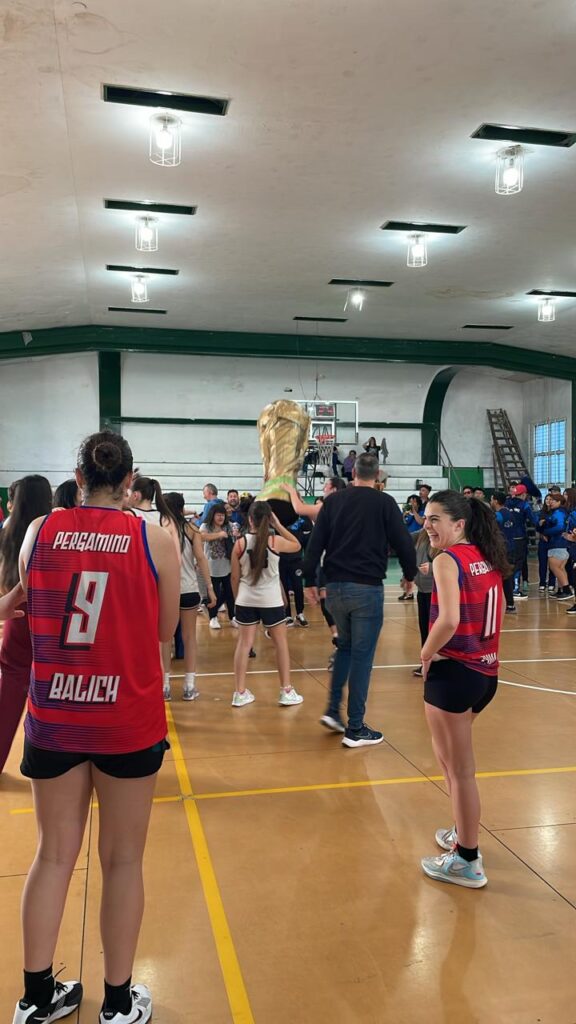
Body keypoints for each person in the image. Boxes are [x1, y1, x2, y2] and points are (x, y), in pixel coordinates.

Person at [13, 430, 179, 1024]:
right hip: (125, 717)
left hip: (56, 714)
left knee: (53, 856)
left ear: (79, 478)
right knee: (124, 861)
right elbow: (164, 632)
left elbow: (31, 601)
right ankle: (117, 1003)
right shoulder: (153, 538)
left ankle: (35, 998)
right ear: (129, 482)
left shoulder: (40, 530)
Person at [419, 491, 510, 889]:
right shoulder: (485, 556)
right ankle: (462, 830)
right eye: (426, 517)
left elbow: (449, 620)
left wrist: (426, 654)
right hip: (485, 674)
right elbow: (500, 608)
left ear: (459, 524)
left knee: (459, 771)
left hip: (455, 674)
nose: (427, 525)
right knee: (451, 764)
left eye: (435, 519)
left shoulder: (447, 559)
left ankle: (467, 859)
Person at [303, 453, 417, 747]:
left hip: (335, 588)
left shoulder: (333, 502)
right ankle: (355, 727)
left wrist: (309, 581)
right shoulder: (384, 503)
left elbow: (315, 544)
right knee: (362, 658)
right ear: (377, 475)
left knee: (345, 647)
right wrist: (410, 575)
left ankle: (332, 710)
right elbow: (404, 542)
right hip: (366, 589)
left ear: (352, 473)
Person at [0, 476, 53, 774]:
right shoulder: (51, 533)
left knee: (9, 693)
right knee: (52, 692)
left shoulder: (6, 534)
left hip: (15, 617)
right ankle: (52, 758)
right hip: (49, 619)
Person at [230, 501, 303, 707]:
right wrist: (277, 525)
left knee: (244, 645)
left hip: (246, 599)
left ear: (249, 519)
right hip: (271, 600)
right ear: (269, 519)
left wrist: (237, 601)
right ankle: (286, 690)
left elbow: (234, 578)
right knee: (280, 644)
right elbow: (297, 544)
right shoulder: (275, 541)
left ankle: (239, 692)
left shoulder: (239, 544)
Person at [163, 492, 217, 701]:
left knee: (164, 638)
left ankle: (165, 686)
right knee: (189, 638)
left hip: (166, 591)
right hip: (189, 589)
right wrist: (210, 589)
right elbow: (201, 559)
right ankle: (189, 686)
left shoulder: (160, 528)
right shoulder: (192, 530)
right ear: (182, 508)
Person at [200, 503, 236, 629]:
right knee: (213, 593)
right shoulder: (206, 526)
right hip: (211, 567)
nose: (221, 517)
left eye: (223, 515)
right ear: (213, 515)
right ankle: (213, 617)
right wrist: (219, 535)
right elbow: (202, 537)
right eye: (218, 515)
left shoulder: (228, 526)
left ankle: (232, 617)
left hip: (227, 565)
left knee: (230, 593)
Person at [410, 529, 438, 676]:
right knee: (425, 630)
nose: (427, 523)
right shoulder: (421, 535)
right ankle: (426, 663)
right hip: (422, 591)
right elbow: (404, 538)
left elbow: (450, 559)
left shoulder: (441, 537)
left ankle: (436, 664)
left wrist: (432, 568)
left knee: (435, 631)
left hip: (435, 592)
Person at [490, 491, 520, 613]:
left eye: (492, 499)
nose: (491, 501)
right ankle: (509, 604)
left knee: (502, 576)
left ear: (496, 501)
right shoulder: (509, 514)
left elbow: (492, 531)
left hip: (501, 549)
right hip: (511, 547)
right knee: (507, 576)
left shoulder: (498, 515)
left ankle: (507, 604)